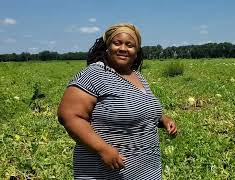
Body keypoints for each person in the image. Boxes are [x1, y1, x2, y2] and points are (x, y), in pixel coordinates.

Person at [57, 23, 177, 179]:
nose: (123, 48)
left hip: (146, 171)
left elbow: (143, 107)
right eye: (117, 43)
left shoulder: (137, 76)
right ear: (107, 46)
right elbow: (69, 116)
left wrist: (163, 120)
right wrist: (103, 149)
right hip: (105, 172)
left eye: (130, 45)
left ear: (137, 51)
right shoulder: (94, 74)